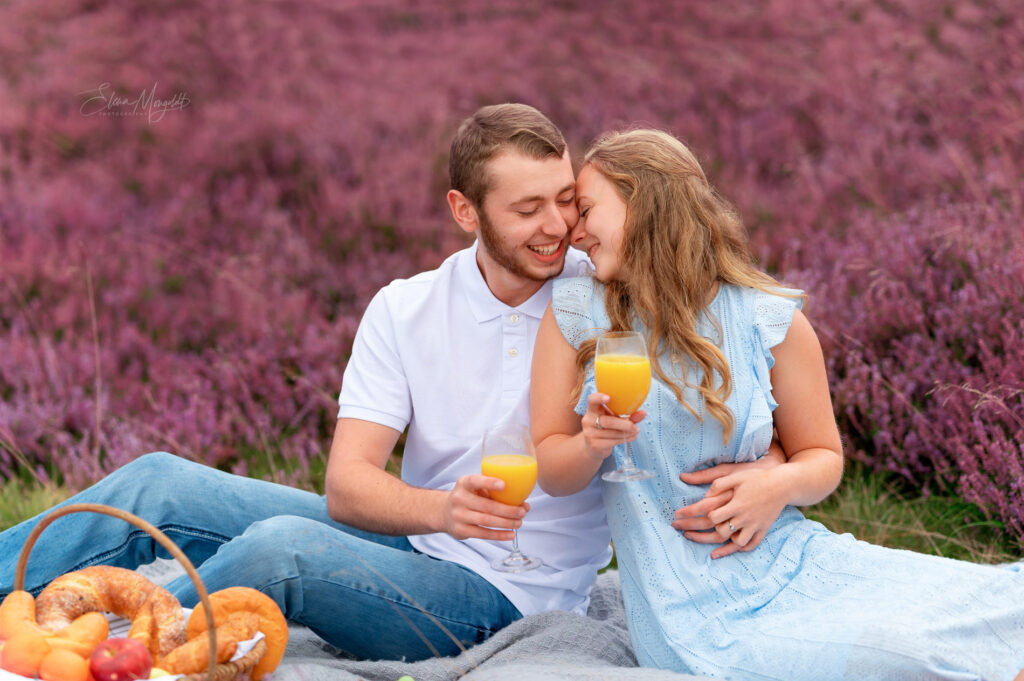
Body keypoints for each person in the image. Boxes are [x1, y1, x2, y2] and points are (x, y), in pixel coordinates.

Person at [1, 105, 785, 662]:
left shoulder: (604, 289)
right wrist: (445, 508)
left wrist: (777, 474)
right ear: (463, 210)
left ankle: (119, 656)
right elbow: (347, 484)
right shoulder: (406, 307)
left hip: (511, 597)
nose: (559, 228)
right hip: (412, 539)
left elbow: (736, 356)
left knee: (284, 551)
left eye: (567, 202)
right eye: (528, 209)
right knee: (158, 481)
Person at [530, 127, 1024, 681]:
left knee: (1003, 604)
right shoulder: (576, 313)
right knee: (904, 654)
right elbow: (552, 469)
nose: (574, 234)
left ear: (644, 204)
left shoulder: (768, 319)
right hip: (692, 616)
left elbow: (822, 457)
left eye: (587, 209)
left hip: (796, 561)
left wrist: (776, 485)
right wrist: (592, 443)